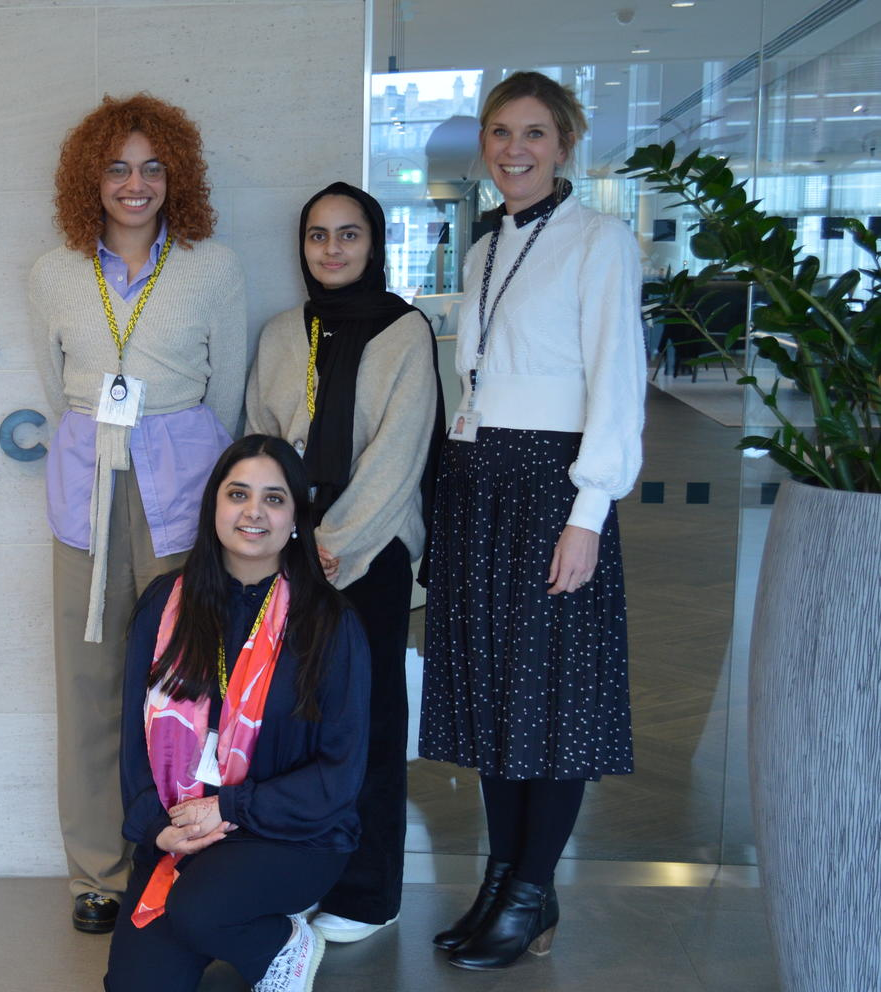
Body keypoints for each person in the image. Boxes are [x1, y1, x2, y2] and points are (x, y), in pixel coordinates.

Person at [418, 70, 645, 971]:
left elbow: (617, 385)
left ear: (565, 144)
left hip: (552, 486)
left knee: (551, 700)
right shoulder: (483, 249)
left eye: (535, 133)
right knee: (492, 697)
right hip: (479, 482)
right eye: (501, 131)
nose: (515, 148)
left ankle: (526, 890)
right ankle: (507, 880)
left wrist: (589, 511)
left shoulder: (601, 240)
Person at [30, 93, 247, 934]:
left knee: (184, 686)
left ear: (177, 176)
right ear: (92, 177)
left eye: (153, 166)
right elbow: (57, 391)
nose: (135, 183)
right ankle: (96, 871)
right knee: (86, 687)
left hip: (185, 494)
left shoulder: (212, 267)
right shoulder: (54, 271)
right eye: (118, 166)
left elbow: (223, 391)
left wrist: (180, 449)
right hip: (87, 490)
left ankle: (180, 853)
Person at [244, 181, 444, 944]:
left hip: (372, 552)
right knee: (290, 719)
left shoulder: (403, 330)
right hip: (289, 552)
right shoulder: (279, 332)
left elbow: (400, 451)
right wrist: (284, 538)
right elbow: (262, 439)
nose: (332, 249)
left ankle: (368, 892)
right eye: (318, 235)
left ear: (374, 243)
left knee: (370, 718)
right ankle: (299, 874)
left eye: (349, 235)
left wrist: (335, 543)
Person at [105, 434, 369, 992]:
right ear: (214, 508)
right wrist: (158, 829)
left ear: (296, 517)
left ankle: (282, 944)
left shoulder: (329, 623)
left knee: (202, 910)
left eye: (274, 499)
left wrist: (229, 805)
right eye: (238, 493)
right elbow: (132, 738)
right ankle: (226, 916)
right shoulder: (164, 604)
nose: (254, 511)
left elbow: (339, 774)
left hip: (289, 834)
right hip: (184, 829)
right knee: (138, 985)